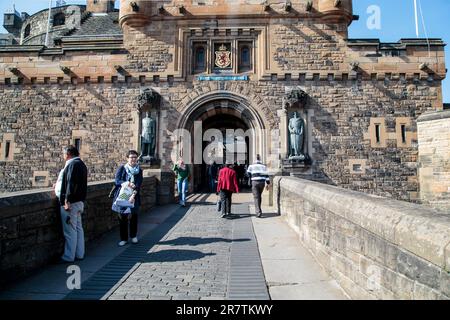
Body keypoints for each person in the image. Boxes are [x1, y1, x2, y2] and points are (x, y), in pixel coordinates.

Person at [54, 145, 88, 263]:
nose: (63, 156)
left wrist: (66, 201)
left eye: (63, 154)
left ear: (67, 154)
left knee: (70, 231)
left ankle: (68, 256)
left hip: (71, 203)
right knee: (78, 229)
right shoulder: (82, 164)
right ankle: (80, 253)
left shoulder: (72, 164)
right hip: (79, 202)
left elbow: (71, 184)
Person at [113, 150, 143, 246]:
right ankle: (124, 239)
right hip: (123, 195)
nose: (133, 159)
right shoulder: (122, 168)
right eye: (131, 157)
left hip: (134, 195)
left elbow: (139, 184)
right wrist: (127, 183)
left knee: (134, 216)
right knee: (123, 217)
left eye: (135, 157)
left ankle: (133, 236)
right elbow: (117, 181)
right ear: (127, 158)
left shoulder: (139, 170)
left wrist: (133, 195)